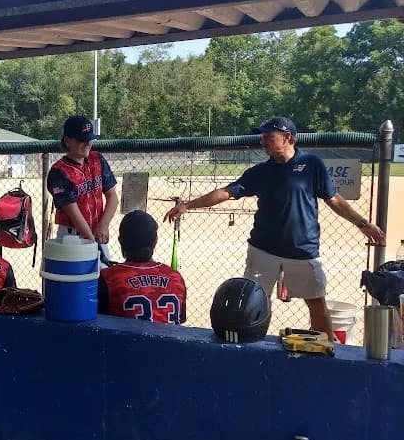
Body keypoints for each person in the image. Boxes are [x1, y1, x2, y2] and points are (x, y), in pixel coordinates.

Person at [164, 116, 385, 339]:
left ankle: (329, 351)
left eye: (268, 136)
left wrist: (362, 224)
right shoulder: (259, 172)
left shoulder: (311, 165)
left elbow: (334, 200)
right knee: (252, 301)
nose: (262, 141)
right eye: (262, 137)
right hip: (262, 250)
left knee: (317, 303)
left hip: (302, 250)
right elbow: (226, 192)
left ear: (287, 137)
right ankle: (250, 345)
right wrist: (188, 205)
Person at [47, 115, 118, 261]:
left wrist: (104, 225)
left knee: (102, 278)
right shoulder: (59, 172)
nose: (87, 143)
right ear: (67, 141)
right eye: (81, 140)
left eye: (89, 138)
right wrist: (92, 242)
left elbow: (112, 196)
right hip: (72, 238)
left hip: (97, 232)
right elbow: (73, 213)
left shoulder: (97, 159)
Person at [98, 210, 187, 324]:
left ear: (120, 241)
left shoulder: (108, 278)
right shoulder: (175, 277)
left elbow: (98, 324)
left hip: (125, 342)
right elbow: (180, 320)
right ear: (155, 241)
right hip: (169, 341)